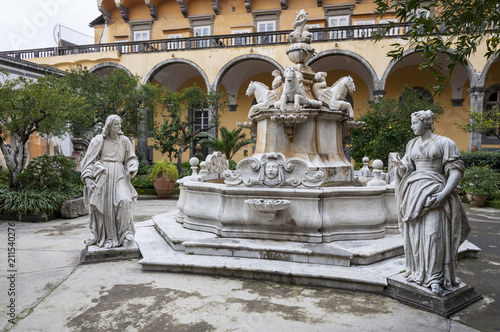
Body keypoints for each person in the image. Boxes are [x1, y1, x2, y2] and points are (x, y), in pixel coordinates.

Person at [394, 110, 470, 295]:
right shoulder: (411, 144)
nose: (411, 127)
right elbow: (408, 169)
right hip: (413, 195)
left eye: (414, 123)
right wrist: (399, 165)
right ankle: (418, 272)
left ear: (426, 123)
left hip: (435, 194)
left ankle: (436, 277)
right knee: (416, 236)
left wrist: (444, 193)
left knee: (433, 235)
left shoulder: (445, 143)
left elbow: (455, 170)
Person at [81, 115, 139, 249]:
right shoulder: (99, 141)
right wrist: (88, 178)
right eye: (116, 124)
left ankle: (125, 233)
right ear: (109, 126)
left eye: (120, 124)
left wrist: (132, 166)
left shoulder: (124, 141)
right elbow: (89, 161)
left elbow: (131, 158)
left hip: (119, 174)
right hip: (104, 176)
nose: (119, 127)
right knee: (106, 208)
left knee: (124, 200)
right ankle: (109, 237)